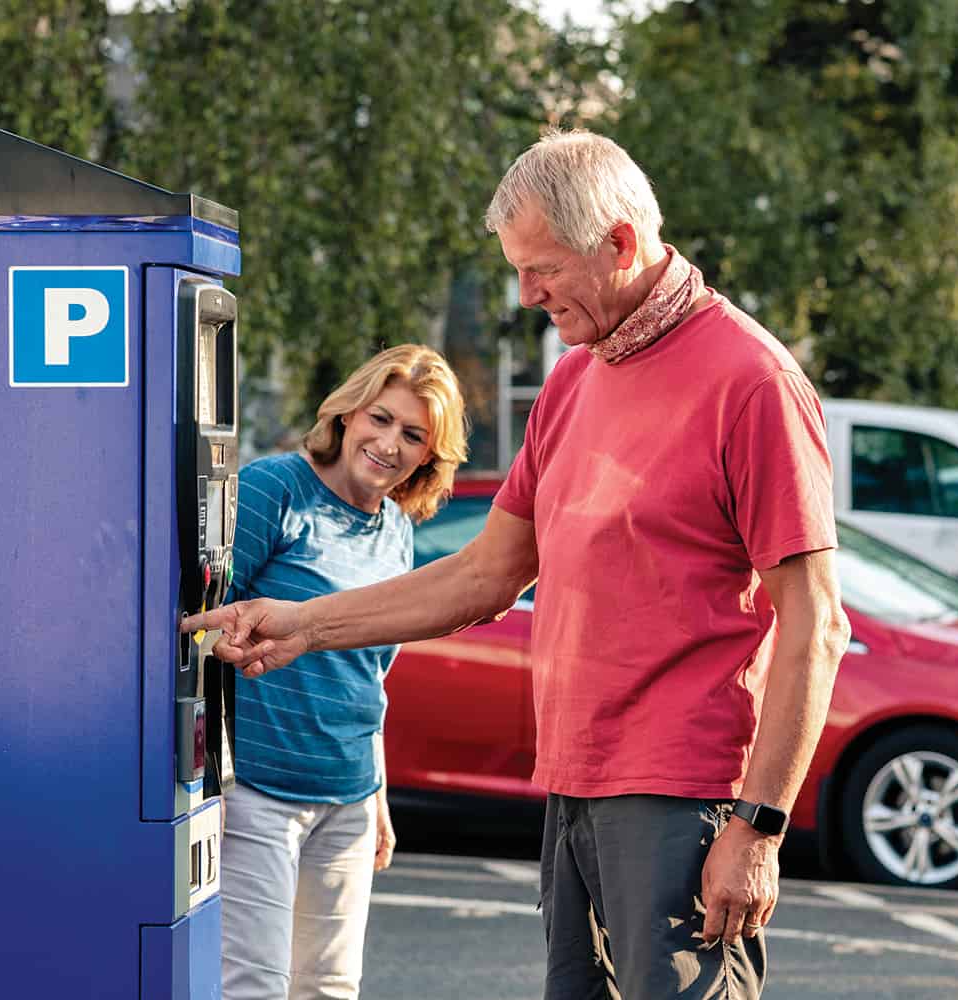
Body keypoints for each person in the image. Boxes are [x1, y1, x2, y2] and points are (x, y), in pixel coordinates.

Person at [186, 129, 851, 999]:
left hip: (685, 796)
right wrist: (300, 625)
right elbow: (482, 577)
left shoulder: (752, 381)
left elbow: (818, 624)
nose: (526, 293)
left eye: (542, 268)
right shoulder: (576, 381)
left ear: (618, 241)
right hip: (573, 782)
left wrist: (759, 828)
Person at [218, 344, 468, 1000]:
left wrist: (379, 798)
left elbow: (372, 679)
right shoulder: (276, 488)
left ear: (429, 456)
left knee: (330, 988)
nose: (389, 443)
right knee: (253, 987)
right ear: (348, 413)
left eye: (413, 435)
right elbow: (204, 624)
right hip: (258, 792)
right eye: (380, 419)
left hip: (350, 798)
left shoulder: (395, 532)